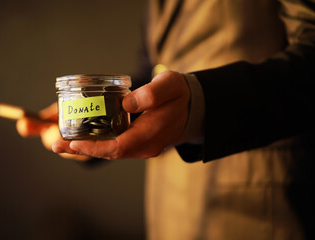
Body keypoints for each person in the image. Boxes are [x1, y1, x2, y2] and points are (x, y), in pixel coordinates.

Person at [17, 0, 315, 239]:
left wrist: (199, 105)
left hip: (258, 213)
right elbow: (155, 72)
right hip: (168, 211)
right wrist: (94, 129)